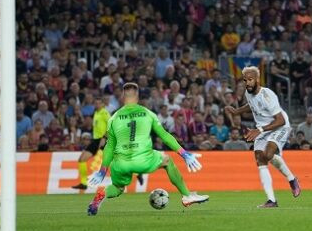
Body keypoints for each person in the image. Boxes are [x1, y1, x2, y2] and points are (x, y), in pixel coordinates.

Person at [86, 83, 209, 216]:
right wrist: (184, 154)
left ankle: (102, 193)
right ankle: (186, 195)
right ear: (137, 97)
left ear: (123, 97)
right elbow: (165, 136)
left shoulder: (113, 118)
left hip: (121, 162)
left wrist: (102, 171)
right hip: (143, 160)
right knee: (167, 160)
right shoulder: (147, 113)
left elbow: (109, 147)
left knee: (117, 187)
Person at [224, 66, 300, 208]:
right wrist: (236, 111)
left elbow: (280, 120)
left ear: (257, 79)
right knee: (260, 158)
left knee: (268, 153)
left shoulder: (268, 95)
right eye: (245, 80)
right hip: (262, 129)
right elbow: (252, 105)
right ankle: (271, 200)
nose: (247, 83)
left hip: (279, 127)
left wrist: (259, 130)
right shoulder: (249, 92)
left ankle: (291, 179)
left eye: (250, 80)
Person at [73, 97, 110, 190]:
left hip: (103, 140)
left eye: (99, 103)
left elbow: (111, 125)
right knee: (81, 160)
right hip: (95, 140)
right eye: (96, 103)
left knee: (103, 164)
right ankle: (83, 183)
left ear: (102, 104)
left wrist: (104, 138)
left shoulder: (104, 113)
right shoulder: (96, 113)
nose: (97, 105)